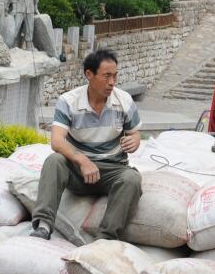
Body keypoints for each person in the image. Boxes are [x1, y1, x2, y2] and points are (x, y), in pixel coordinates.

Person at [30, 48, 143, 242]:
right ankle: (43, 225)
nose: (112, 82)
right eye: (106, 76)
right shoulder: (69, 101)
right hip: (78, 171)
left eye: (115, 76)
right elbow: (57, 141)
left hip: (112, 170)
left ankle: (105, 238)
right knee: (54, 161)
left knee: (132, 178)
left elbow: (135, 133)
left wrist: (135, 141)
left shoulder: (124, 100)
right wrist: (82, 160)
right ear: (89, 75)